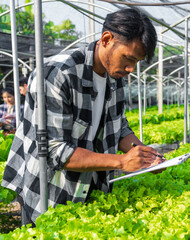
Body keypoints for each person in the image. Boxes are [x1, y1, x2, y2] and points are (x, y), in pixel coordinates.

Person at [2, 8, 164, 225]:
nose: (131, 68)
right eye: (128, 58)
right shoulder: (57, 74)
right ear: (106, 39)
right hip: (47, 192)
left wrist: (145, 156)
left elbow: (119, 125)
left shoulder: (115, 76)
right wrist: (122, 162)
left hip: (89, 187)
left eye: (137, 62)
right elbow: (54, 151)